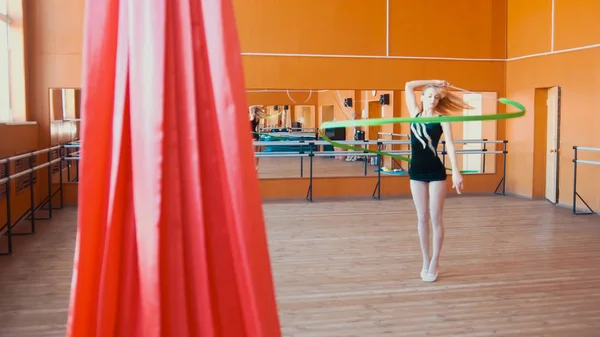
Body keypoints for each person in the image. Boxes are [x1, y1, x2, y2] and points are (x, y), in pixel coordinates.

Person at [404, 79, 473, 282]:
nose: (433, 100)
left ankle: (435, 260)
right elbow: (408, 85)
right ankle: (425, 259)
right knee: (421, 217)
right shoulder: (414, 114)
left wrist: (456, 172)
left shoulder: (443, 119)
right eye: (429, 95)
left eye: (436, 97)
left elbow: (450, 146)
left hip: (436, 172)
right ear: (422, 97)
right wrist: (434, 82)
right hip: (416, 172)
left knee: (435, 218)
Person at [249, 105, 262, 170]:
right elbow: (257, 128)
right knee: (256, 153)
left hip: (252, 136)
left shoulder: (252, 118)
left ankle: (254, 166)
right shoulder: (257, 118)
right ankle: (256, 166)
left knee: (253, 153)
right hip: (256, 135)